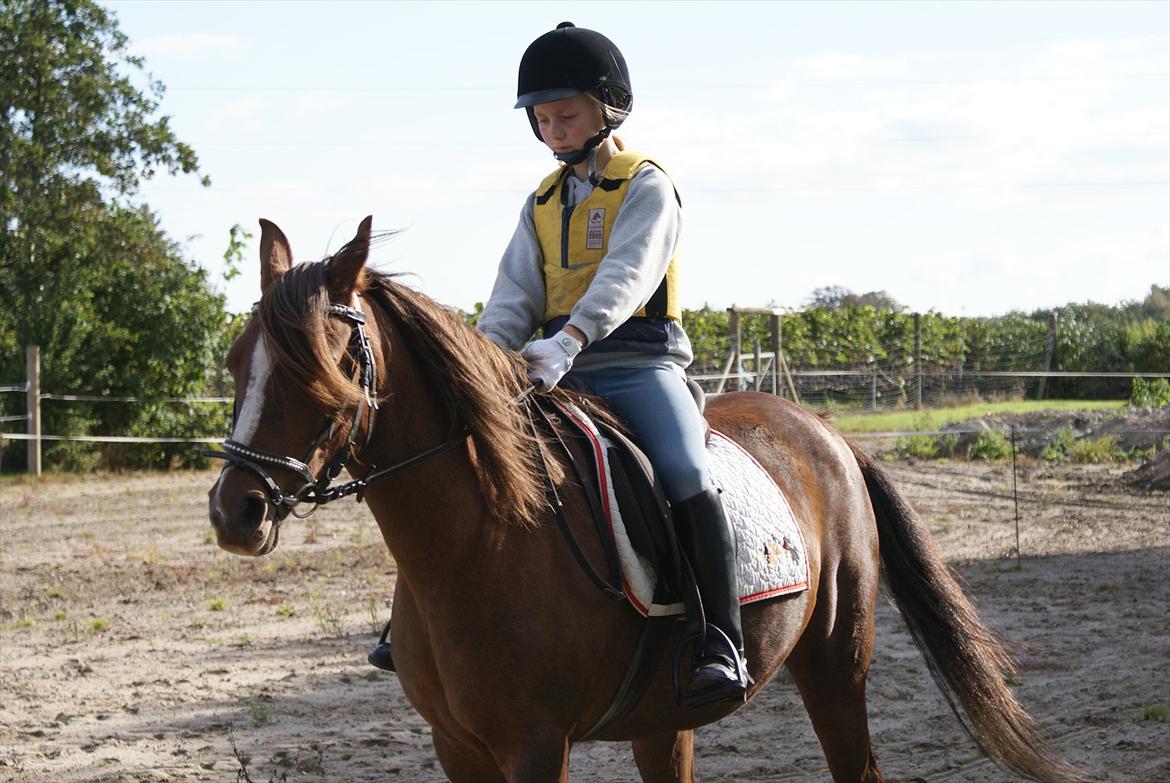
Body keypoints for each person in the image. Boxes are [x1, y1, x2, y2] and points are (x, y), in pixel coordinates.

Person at [475, 21, 749, 703]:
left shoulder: (646, 184)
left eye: (566, 114)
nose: (555, 129)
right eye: (542, 120)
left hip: (636, 364)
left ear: (608, 107)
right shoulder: (540, 202)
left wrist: (571, 339)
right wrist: (483, 360)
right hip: (547, 368)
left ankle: (722, 637)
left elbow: (626, 276)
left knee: (684, 468)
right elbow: (513, 295)